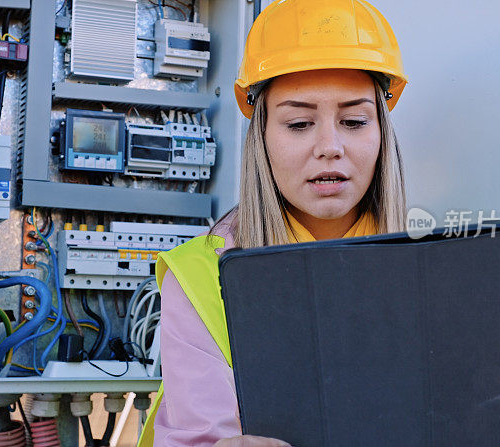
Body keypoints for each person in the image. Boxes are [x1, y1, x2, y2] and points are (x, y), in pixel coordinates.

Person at [137, 0, 408, 445]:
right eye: (299, 123)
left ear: (381, 131)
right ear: (261, 137)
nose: (329, 146)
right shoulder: (202, 276)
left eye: (354, 121)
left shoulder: (430, 265)